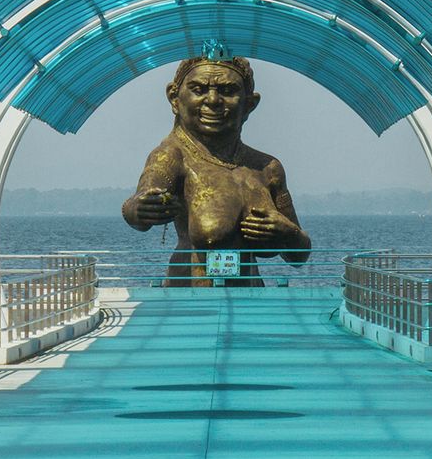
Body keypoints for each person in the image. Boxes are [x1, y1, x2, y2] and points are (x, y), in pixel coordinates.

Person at [122, 45, 311, 286]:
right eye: (199, 90)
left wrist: (288, 233)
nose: (213, 101)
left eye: (227, 90)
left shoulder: (267, 168)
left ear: (249, 104)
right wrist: (137, 208)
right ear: (174, 97)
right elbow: (143, 201)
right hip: (192, 300)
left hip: (252, 299)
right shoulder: (171, 156)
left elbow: (298, 255)